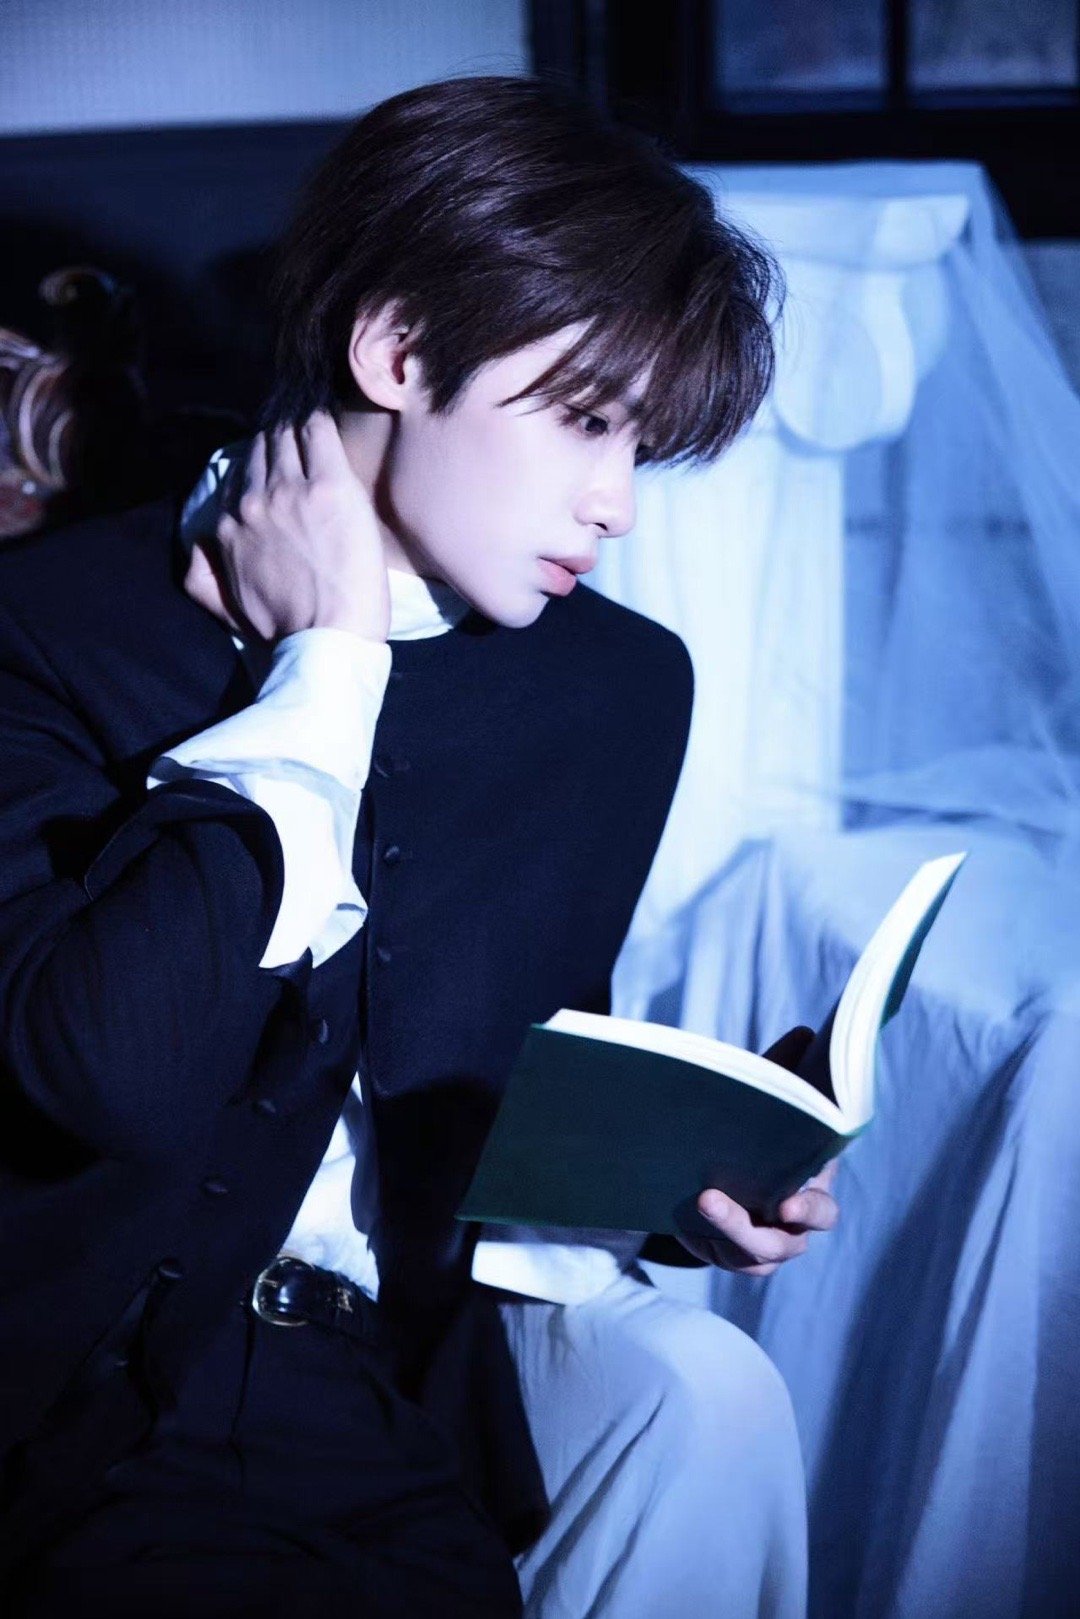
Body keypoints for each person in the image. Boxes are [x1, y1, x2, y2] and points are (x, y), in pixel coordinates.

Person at [0, 74, 838, 1617]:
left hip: (379, 1410)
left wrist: (670, 1185)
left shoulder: (610, 690)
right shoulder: (47, 633)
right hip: (68, 1413)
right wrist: (325, 669)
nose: (617, 505)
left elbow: (468, 1110)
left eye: (641, 444)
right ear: (396, 352)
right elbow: (105, 1072)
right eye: (584, 421)